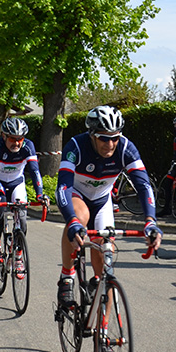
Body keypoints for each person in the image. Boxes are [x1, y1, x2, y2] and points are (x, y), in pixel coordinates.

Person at [55, 106, 162, 308]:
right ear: (92, 135)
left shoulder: (126, 148)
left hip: (102, 200)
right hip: (77, 195)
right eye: (104, 138)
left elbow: (144, 186)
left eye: (115, 138)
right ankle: (67, 277)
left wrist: (150, 221)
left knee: (106, 264)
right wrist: (71, 221)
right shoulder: (76, 146)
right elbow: (63, 187)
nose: (110, 144)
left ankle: (102, 324)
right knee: (80, 216)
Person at [0, 117, 48, 276]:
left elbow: (34, 171)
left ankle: (18, 257)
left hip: (16, 182)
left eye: (20, 139)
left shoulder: (28, 146)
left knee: (22, 217)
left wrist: (40, 194)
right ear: (4, 136)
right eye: (13, 139)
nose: (17, 143)